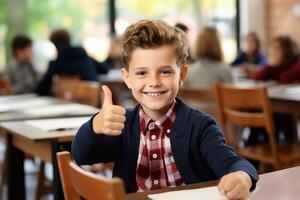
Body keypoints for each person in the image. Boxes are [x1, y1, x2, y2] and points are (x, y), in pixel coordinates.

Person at [72, 20, 258, 199]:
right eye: (142, 73)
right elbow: (81, 155)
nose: (153, 82)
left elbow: (233, 163)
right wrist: (95, 126)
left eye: (165, 72)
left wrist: (242, 176)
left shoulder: (200, 127)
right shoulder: (122, 125)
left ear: (182, 74)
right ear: (127, 78)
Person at [35, 29, 108, 96]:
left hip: (75, 101)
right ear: (69, 40)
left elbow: (41, 88)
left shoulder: (56, 64)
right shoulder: (84, 56)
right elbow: (105, 69)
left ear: (54, 44)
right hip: (96, 99)